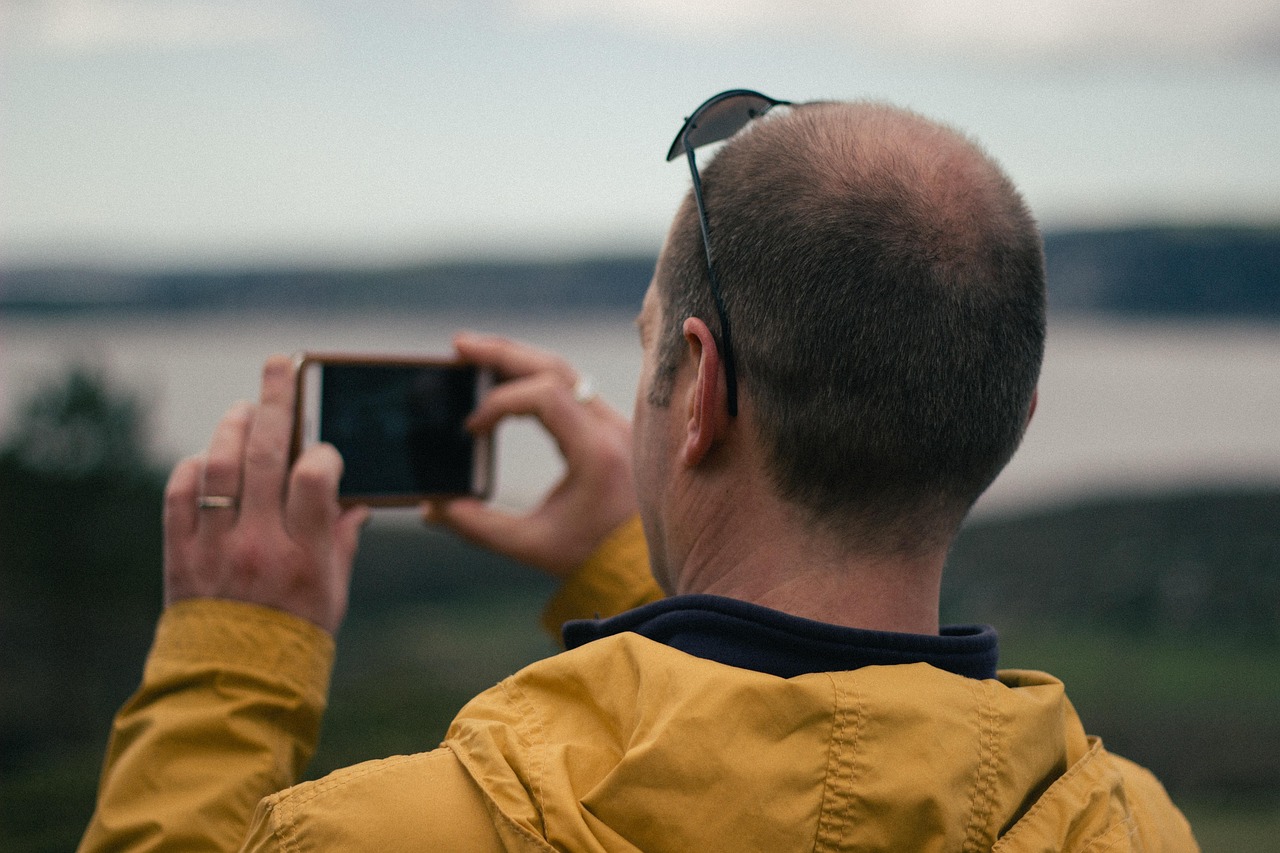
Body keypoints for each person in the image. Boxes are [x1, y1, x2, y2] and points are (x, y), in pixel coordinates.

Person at [79, 93, 1198, 851]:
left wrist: (232, 664)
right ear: (1008, 418)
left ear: (699, 390)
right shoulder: (1133, 826)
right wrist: (633, 562)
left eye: (647, 342)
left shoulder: (383, 831)